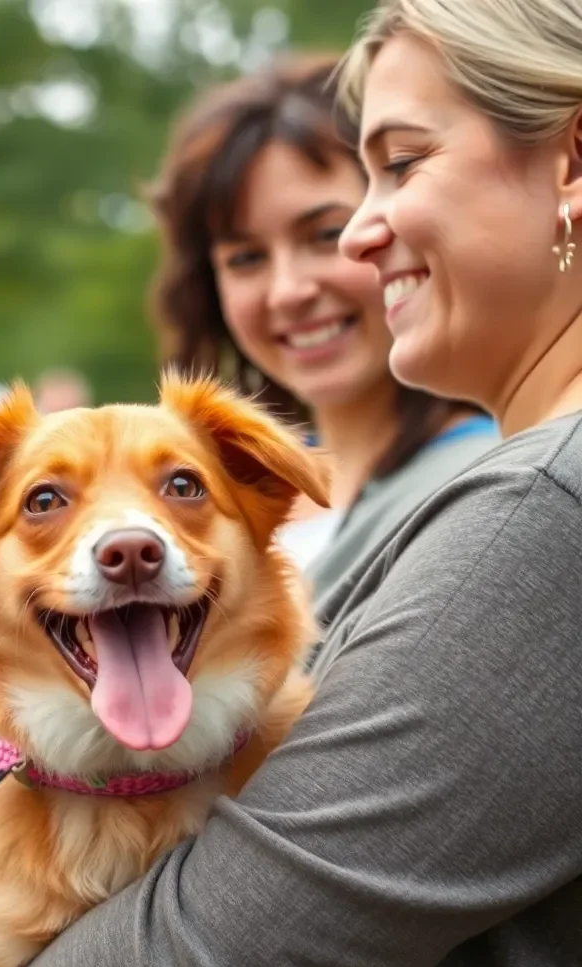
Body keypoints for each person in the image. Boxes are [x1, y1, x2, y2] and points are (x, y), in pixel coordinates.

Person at [0, 1, 582, 967]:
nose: (354, 237)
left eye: (398, 165)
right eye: (242, 255)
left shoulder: (543, 504)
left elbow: (228, 957)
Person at [148, 55, 497, 601]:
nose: (288, 290)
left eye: (326, 234)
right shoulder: (207, 497)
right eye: (245, 258)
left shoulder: (488, 489)